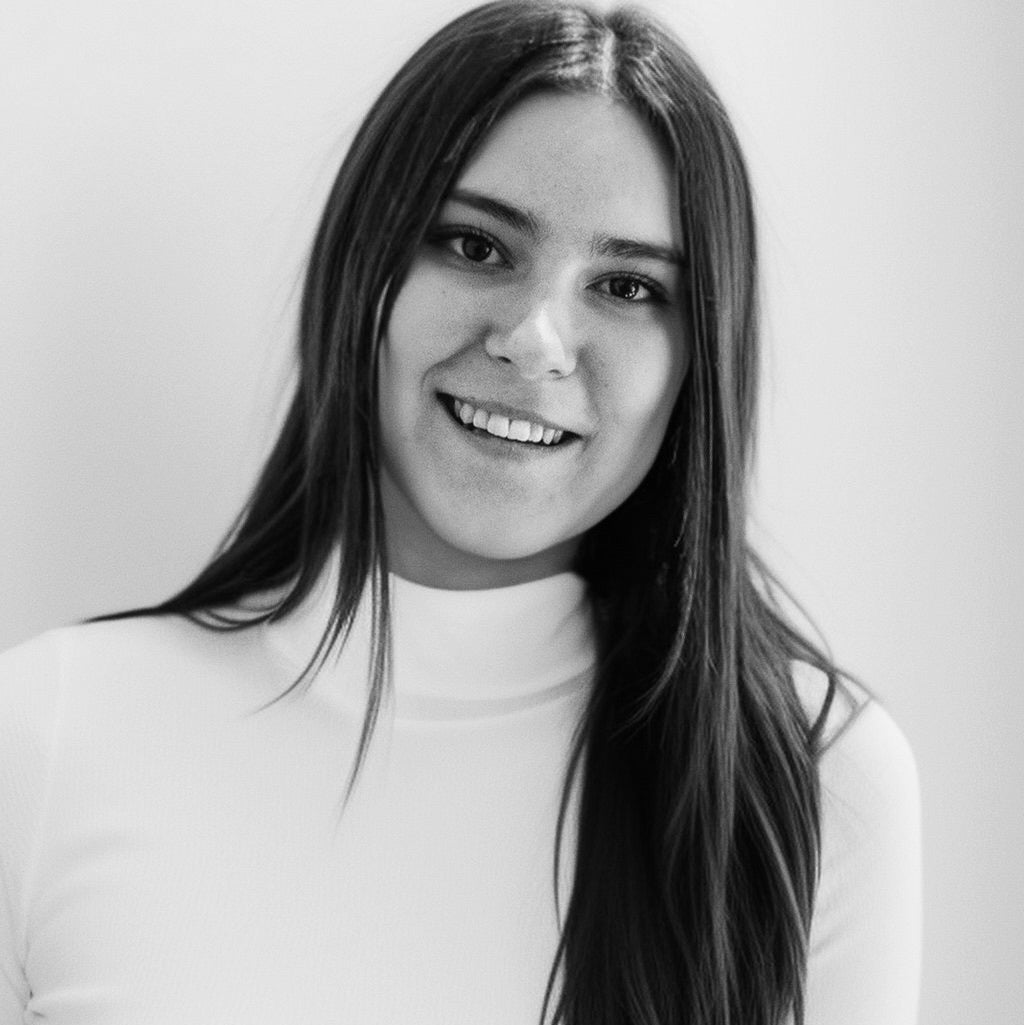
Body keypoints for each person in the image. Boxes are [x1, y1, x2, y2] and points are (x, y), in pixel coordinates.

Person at [0, 2, 920, 1023]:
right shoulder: (49, 733)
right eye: (476, 245)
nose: (534, 338)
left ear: (698, 359)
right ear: (364, 272)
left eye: (626, 286)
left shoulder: (814, 778)